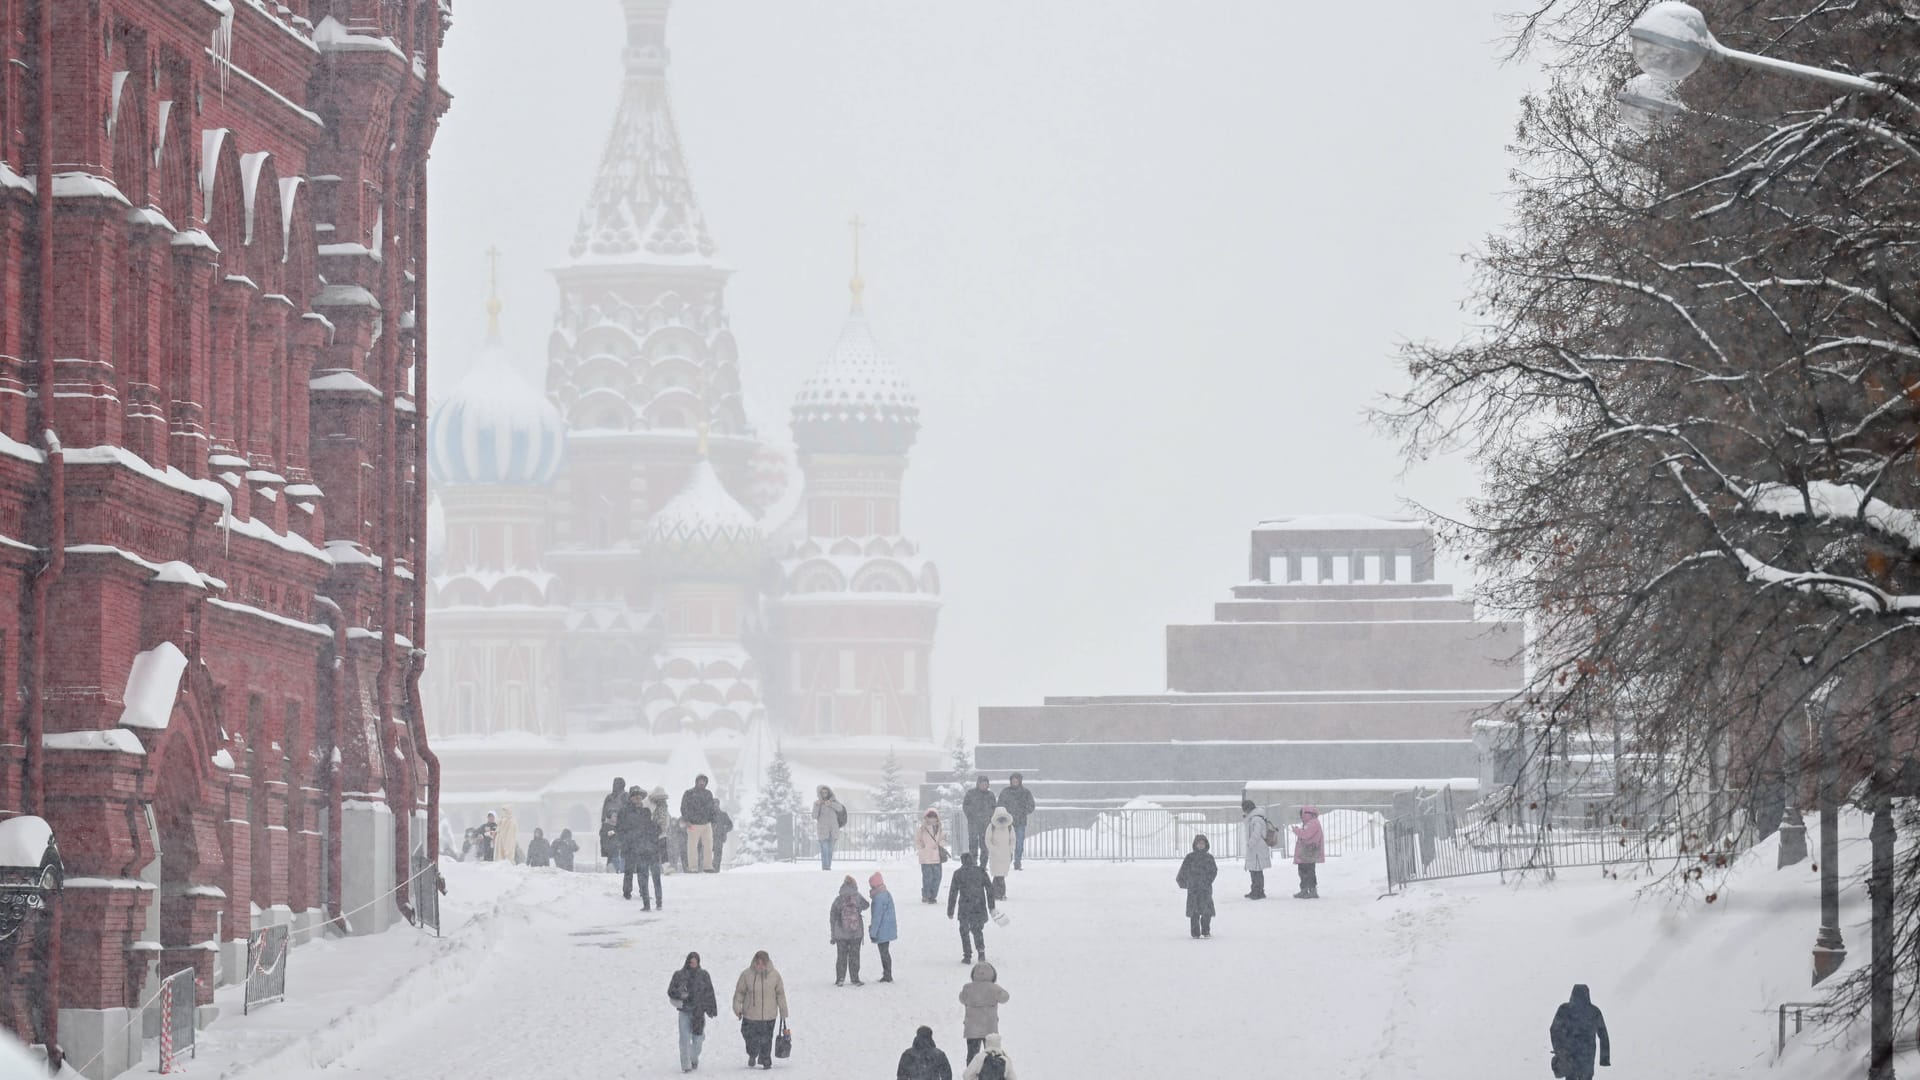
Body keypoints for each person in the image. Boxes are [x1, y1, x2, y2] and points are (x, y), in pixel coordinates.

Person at [732, 950, 788, 1070]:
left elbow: (780, 994)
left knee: (766, 1039)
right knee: (749, 1037)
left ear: (767, 963)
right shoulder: (746, 975)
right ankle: (752, 1053)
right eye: (758, 963)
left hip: (769, 1015)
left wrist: (783, 1010)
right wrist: (737, 1008)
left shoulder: (775, 975)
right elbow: (739, 993)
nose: (760, 966)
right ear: (754, 963)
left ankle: (765, 1059)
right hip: (750, 1015)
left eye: (763, 963)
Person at [668, 951, 719, 1073]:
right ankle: (686, 1065)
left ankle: (693, 1058)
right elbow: (670, 991)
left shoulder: (704, 975)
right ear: (687, 962)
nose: (693, 964)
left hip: (698, 1013)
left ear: (698, 962)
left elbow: (709, 992)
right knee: (684, 1039)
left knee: (698, 1040)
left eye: (695, 962)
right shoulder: (679, 975)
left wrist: (712, 1009)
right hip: (684, 1012)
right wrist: (680, 994)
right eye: (691, 962)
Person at [1550, 984, 1611, 1080]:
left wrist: (1559, 1049)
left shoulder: (1564, 1009)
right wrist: (1604, 1058)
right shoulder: (1594, 1011)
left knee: (1571, 1077)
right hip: (1587, 1056)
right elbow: (1603, 1035)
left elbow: (1554, 1029)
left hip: (1569, 1055)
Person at [619, 787, 665, 908]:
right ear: (631, 798)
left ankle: (644, 895)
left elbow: (651, 826)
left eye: (640, 798)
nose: (638, 800)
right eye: (636, 798)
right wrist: (627, 840)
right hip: (631, 845)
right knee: (629, 870)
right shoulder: (625, 812)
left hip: (642, 846)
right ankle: (627, 892)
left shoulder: (645, 812)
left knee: (642, 872)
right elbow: (621, 829)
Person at [946, 851, 995, 963]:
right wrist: (991, 906)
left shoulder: (958, 874)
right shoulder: (981, 871)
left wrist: (950, 910)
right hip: (979, 906)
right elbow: (990, 889)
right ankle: (981, 952)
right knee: (977, 930)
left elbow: (953, 893)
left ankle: (967, 955)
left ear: (962, 861)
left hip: (965, 907)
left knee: (964, 931)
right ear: (973, 860)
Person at [957, 962, 1007, 1065]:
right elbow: (1005, 998)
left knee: (972, 1055)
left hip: (972, 1028)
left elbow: (962, 999)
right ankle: (991, 1071)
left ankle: (971, 1072)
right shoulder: (994, 988)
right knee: (992, 1055)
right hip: (989, 1028)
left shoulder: (968, 988)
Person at [830, 874, 870, 986]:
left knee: (841, 956)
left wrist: (833, 934)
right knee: (854, 956)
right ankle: (855, 978)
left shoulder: (839, 899)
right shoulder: (857, 897)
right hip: (855, 933)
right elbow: (866, 905)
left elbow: (832, 916)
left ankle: (840, 979)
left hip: (841, 934)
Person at [1176, 834, 1217, 938]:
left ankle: (1206, 931)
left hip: (1205, 889)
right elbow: (1183, 870)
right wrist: (1184, 882)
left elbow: (1213, 871)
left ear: (1206, 845)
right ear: (1195, 844)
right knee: (1194, 912)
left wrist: (1208, 881)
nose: (1201, 845)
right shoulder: (1190, 857)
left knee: (1206, 911)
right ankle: (1195, 932)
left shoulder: (1209, 858)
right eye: (1199, 843)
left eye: (1203, 843)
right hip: (1193, 889)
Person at [996, 774, 1035, 871]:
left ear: (1020, 781)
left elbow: (1031, 806)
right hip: (1007, 822)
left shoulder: (1025, 792)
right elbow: (1000, 805)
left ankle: (1017, 862)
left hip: (1020, 822)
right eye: (1013, 781)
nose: (1015, 782)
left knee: (1019, 844)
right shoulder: (1005, 792)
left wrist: (1023, 811)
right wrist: (1004, 814)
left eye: (1016, 781)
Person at [681, 774, 720, 873]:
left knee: (709, 846)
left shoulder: (708, 794)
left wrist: (714, 821)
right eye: (700, 781)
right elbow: (684, 807)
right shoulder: (689, 793)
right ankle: (693, 867)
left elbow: (712, 808)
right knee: (692, 847)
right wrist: (687, 820)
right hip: (693, 824)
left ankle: (708, 866)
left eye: (704, 781)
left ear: (706, 783)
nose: (702, 783)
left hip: (706, 824)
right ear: (696, 781)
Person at [869, 872, 898, 982]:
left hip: (882, 930)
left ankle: (887, 975)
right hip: (888, 928)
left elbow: (877, 917)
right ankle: (887, 973)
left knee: (884, 953)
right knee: (885, 952)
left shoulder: (879, 898)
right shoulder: (886, 894)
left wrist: (873, 932)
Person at [1241, 799, 1273, 899]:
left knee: (1256, 871)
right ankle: (1255, 890)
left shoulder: (1256, 819)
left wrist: (1250, 843)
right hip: (1256, 848)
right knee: (1254, 871)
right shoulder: (1254, 818)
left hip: (1257, 849)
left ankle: (1258, 892)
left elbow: (1256, 833)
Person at [915, 809, 949, 903]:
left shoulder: (940, 828)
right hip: (926, 857)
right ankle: (926, 895)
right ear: (926, 818)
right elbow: (917, 840)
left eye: (934, 817)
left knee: (937, 877)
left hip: (936, 857)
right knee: (927, 878)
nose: (932, 819)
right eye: (930, 817)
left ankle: (933, 895)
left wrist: (941, 844)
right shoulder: (922, 829)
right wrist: (921, 846)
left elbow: (944, 839)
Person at [1292, 806, 1325, 899]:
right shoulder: (1311, 823)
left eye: (1302, 815)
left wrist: (1296, 830)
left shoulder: (1313, 823)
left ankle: (1311, 890)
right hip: (1307, 852)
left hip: (1308, 852)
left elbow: (1305, 834)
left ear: (1307, 814)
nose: (1301, 817)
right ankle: (1305, 889)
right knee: (1304, 871)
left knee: (1308, 872)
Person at [983, 807, 1015, 900]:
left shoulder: (1010, 827)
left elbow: (1013, 840)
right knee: (997, 875)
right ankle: (999, 894)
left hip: (1005, 854)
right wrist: (993, 849)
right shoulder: (991, 827)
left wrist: (1010, 850)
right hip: (995, 856)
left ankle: (997, 894)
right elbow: (987, 840)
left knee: (1001, 875)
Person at [962, 776, 996, 862]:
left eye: (985, 784)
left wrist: (989, 817)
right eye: (982, 784)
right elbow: (965, 806)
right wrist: (971, 815)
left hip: (986, 823)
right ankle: (973, 862)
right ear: (978, 784)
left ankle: (983, 864)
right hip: (973, 823)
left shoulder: (990, 795)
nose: (983, 785)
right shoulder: (970, 793)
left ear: (988, 785)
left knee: (985, 844)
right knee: (973, 843)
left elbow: (994, 808)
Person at [648, 787, 680, 875]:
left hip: (662, 831)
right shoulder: (651, 806)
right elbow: (650, 817)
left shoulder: (663, 807)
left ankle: (665, 867)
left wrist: (665, 827)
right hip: (654, 830)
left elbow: (666, 818)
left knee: (662, 849)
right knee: (655, 850)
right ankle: (654, 867)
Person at [814, 785, 846, 870]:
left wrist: (831, 804)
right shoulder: (817, 803)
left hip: (833, 830)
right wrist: (817, 806)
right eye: (822, 792)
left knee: (830, 850)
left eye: (826, 792)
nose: (824, 794)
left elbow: (840, 808)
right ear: (820, 793)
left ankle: (828, 867)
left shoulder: (834, 801)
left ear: (829, 792)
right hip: (822, 830)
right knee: (824, 849)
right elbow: (814, 816)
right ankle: (825, 867)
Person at [601, 777, 627, 874]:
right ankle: (615, 866)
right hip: (618, 826)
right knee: (616, 847)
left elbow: (604, 814)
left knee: (614, 847)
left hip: (613, 826)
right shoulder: (624, 796)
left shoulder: (611, 797)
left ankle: (612, 865)